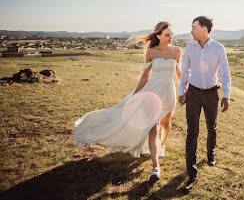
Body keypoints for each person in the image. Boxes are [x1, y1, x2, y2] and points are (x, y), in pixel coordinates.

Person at [73, 21, 182, 182]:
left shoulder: (177, 51)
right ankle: (155, 168)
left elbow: (179, 72)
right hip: (152, 93)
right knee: (153, 127)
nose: (171, 37)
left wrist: (184, 89)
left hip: (168, 92)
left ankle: (162, 145)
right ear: (158, 36)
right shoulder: (151, 52)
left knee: (166, 123)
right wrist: (136, 94)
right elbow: (146, 75)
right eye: (167, 34)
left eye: (172, 34)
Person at [178, 16, 231, 191]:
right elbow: (185, 70)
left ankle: (210, 153)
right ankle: (192, 174)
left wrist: (226, 95)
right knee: (192, 132)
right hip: (193, 94)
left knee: (212, 128)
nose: (191, 30)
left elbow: (225, 74)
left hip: (211, 95)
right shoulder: (190, 46)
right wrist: (181, 91)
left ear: (204, 29)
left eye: (194, 27)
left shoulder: (218, 48)